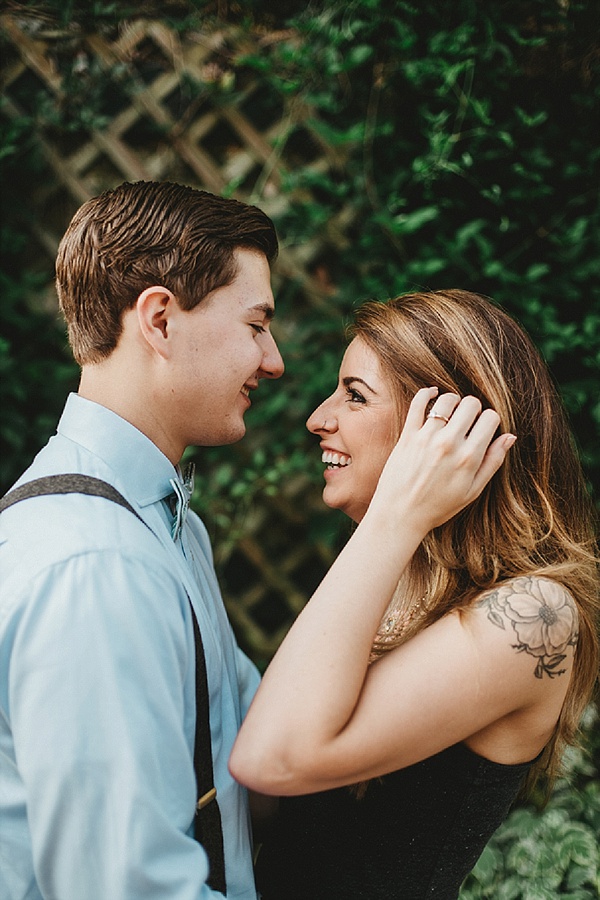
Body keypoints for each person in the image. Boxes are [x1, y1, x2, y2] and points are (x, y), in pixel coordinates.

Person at [230, 289, 599, 899]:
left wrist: (394, 517)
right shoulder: (400, 582)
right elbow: (266, 804)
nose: (318, 418)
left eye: (355, 395)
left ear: (450, 428)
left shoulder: (534, 615)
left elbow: (272, 760)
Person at [0, 180, 285, 899]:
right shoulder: (97, 567)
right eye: (256, 325)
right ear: (159, 319)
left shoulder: (161, 522)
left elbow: (256, 734)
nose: (273, 360)